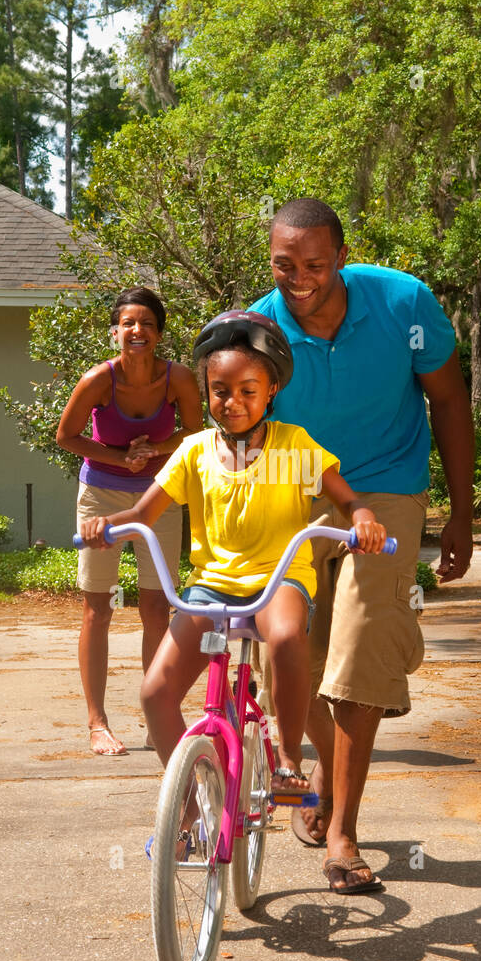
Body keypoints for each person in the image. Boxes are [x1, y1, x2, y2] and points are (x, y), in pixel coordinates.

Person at [80, 312, 393, 886]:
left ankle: (290, 762)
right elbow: (144, 512)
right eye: (220, 391)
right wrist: (110, 524)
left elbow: (348, 501)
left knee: (285, 636)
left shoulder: (296, 446)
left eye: (248, 390)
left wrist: (366, 518)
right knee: (155, 693)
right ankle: (195, 802)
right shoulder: (194, 451)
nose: (233, 402)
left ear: (271, 389)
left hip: (280, 579)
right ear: (206, 391)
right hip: (210, 586)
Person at [251, 198, 474, 893]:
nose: (300, 279)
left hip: (386, 489)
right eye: (285, 265)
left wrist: (459, 512)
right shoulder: (260, 329)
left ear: (340, 257)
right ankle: (323, 763)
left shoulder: (403, 302)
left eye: (315, 264)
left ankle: (342, 832)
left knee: (362, 638)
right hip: (292, 487)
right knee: (283, 651)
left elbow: (448, 400)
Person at [57, 286, 202, 755]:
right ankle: (97, 723)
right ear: (116, 330)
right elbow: (67, 436)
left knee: (157, 608)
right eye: (129, 323)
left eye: (147, 323)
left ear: (158, 333)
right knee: (98, 609)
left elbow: (196, 431)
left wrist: (154, 451)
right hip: (100, 492)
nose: (137, 330)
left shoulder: (178, 378)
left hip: (160, 494)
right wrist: (122, 455)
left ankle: (155, 716)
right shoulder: (100, 379)